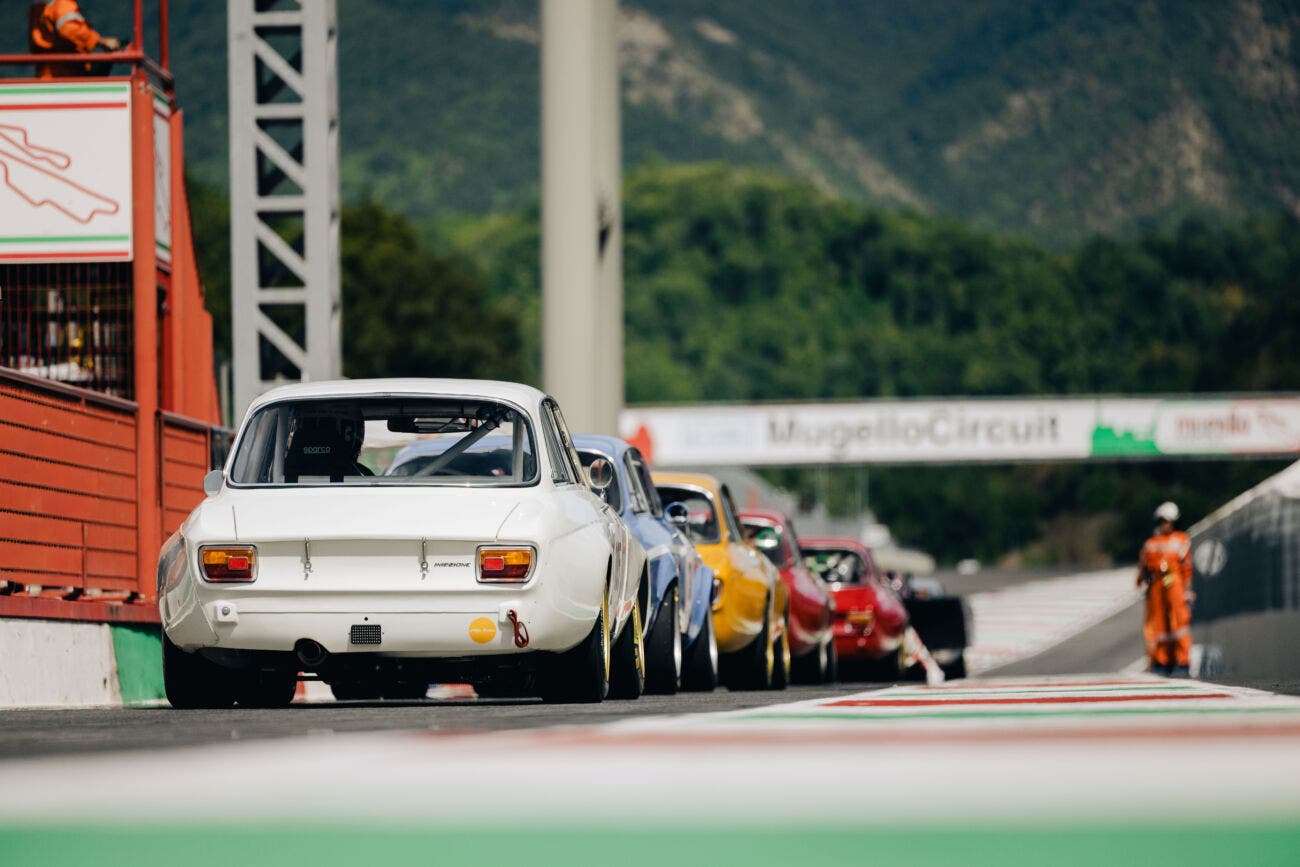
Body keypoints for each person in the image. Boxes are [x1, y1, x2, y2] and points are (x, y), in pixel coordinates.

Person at [1136, 501, 1194, 677]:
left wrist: (1187, 589)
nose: (1165, 524)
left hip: (1174, 582)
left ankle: (1182, 661)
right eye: (1162, 521)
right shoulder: (1151, 543)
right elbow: (1143, 565)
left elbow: (1187, 566)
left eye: (1167, 521)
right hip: (1156, 586)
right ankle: (1162, 661)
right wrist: (1142, 580)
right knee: (1159, 626)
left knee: (1179, 622)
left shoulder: (1181, 539)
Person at [28, 1, 121, 79]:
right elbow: (69, 28)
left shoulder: (41, 7)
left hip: (50, 78)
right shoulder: (63, 3)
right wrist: (101, 41)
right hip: (64, 77)